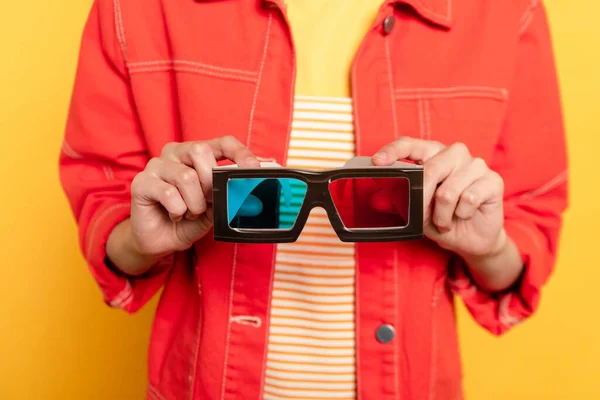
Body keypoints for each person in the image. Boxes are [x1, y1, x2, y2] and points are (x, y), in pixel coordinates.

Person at [59, 0, 568, 398]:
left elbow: (525, 236)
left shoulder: (503, 14)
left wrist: (487, 247)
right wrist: (139, 238)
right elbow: (104, 199)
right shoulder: (139, 9)